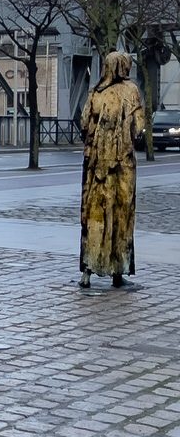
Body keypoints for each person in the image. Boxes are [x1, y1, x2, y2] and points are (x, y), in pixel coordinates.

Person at [78, 51, 145, 289]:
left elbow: (85, 123)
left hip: (95, 166)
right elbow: (139, 127)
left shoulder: (96, 91)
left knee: (94, 215)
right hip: (122, 165)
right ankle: (118, 271)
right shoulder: (131, 90)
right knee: (122, 215)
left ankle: (87, 270)